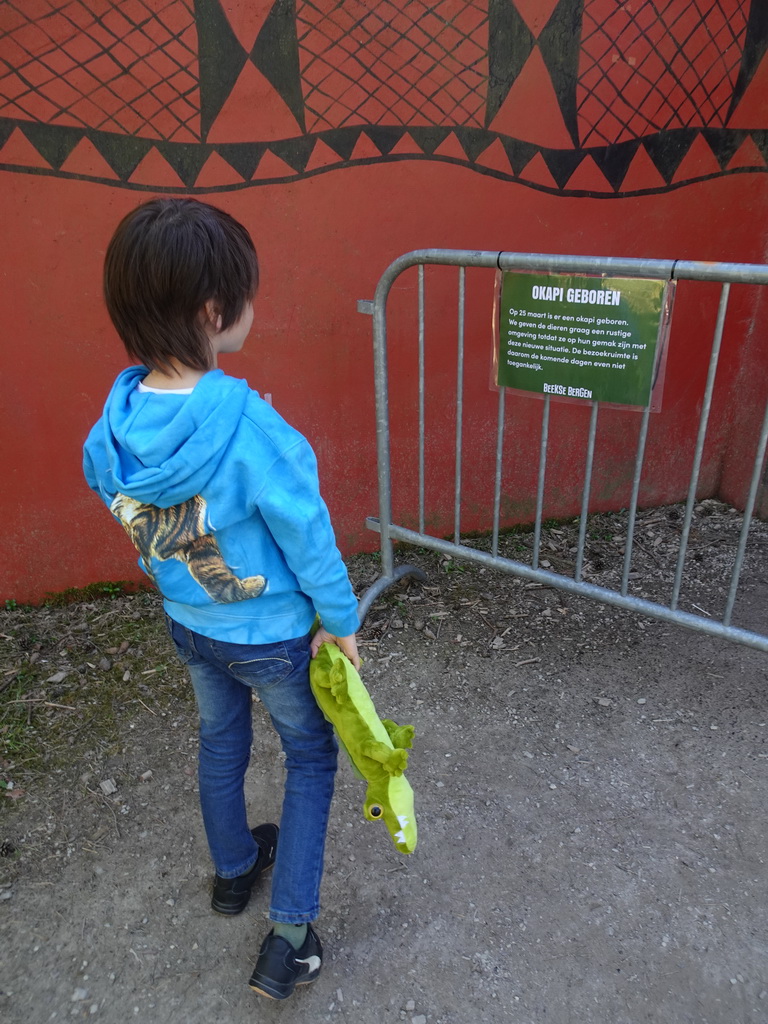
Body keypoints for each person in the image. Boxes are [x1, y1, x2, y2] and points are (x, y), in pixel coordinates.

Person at [83, 197, 360, 1001]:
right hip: (270, 634)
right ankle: (291, 938)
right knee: (310, 756)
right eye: (246, 293)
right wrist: (340, 622)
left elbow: (123, 508)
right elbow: (307, 532)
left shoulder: (114, 426)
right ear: (215, 312)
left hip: (190, 625)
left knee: (219, 742)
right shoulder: (251, 426)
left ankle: (234, 872)